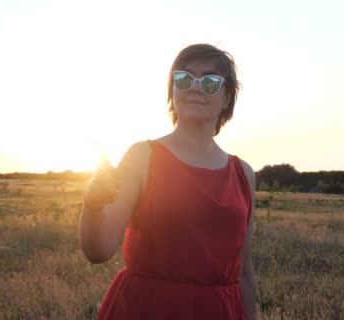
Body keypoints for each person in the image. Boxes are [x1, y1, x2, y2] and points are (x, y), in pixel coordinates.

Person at [79, 43, 257, 320]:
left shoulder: (243, 174)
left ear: (227, 97)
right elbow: (98, 250)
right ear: (172, 91)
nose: (195, 88)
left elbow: (245, 272)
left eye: (210, 82)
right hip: (146, 308)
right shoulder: (142, 156)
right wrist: (91, 204)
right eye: (184, 79)